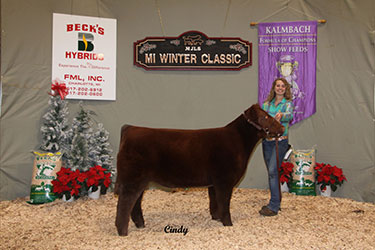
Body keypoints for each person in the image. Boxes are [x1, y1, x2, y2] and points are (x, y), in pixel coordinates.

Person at [259, 77, 294, 216]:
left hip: (280, 141)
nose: (280, 88)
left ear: (286, 89)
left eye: (283, 86)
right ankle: (275, 201)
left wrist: (282, 115)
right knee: (271, 172)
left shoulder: (287, 104)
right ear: (274, 88)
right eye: (278, 85)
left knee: (273, 171)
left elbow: (289, 116)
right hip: (267, 141)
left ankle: (274, 206)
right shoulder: (266, 105)